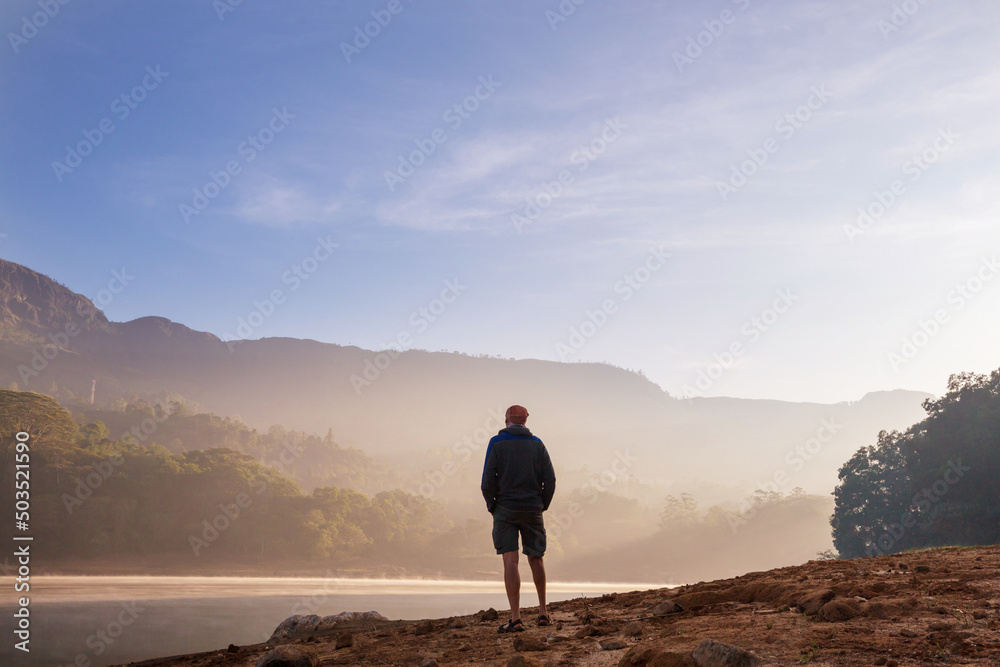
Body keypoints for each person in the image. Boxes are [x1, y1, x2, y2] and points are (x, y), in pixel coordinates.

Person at [481, 404, 556, 633]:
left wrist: (492, 505)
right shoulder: (537, 444)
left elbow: (487, 481)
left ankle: (516, 618)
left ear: (507, 420)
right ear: (525, 420)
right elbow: (550, 479)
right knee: (536, 558)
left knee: (510, 561)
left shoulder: (496, 443)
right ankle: (543, 612)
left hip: (505, 509)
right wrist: (542, 504)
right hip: (532, 508)